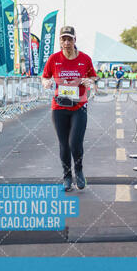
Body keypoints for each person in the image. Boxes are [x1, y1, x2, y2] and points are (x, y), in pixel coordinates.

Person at [42, 26, 97, 191]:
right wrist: (47, 83)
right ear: (60, 41)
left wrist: (90, 81)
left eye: (69, 39)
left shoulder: (85, 59)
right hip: (59, 107)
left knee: (75, 142)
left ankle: (78, 170)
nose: (66, 43)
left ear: (75, 40)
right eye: (63, 39)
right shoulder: (54, 58)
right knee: (64, 144)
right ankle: (67, 176)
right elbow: (45, 76)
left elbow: (93, 76)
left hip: (79, 106)